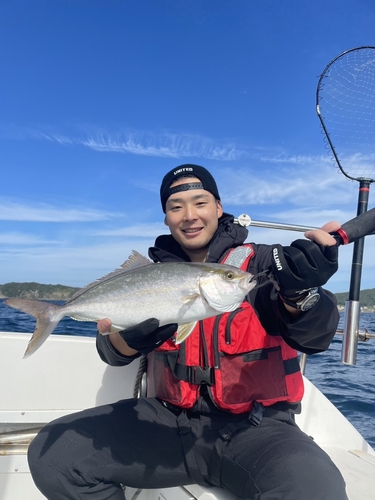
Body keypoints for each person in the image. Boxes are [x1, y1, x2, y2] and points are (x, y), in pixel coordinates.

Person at [28, 164, 348, 500]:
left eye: (200, 202)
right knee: (54, 457)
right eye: (176, 207)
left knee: (316, 491)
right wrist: (126, 338)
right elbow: (110, 351)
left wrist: (302, 294)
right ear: (166, 217)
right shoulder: (149, 275)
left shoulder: (263, 264)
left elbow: (316, 336)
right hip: (166, 423)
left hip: (258, 430)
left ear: (219, 208)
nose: (189, 216)